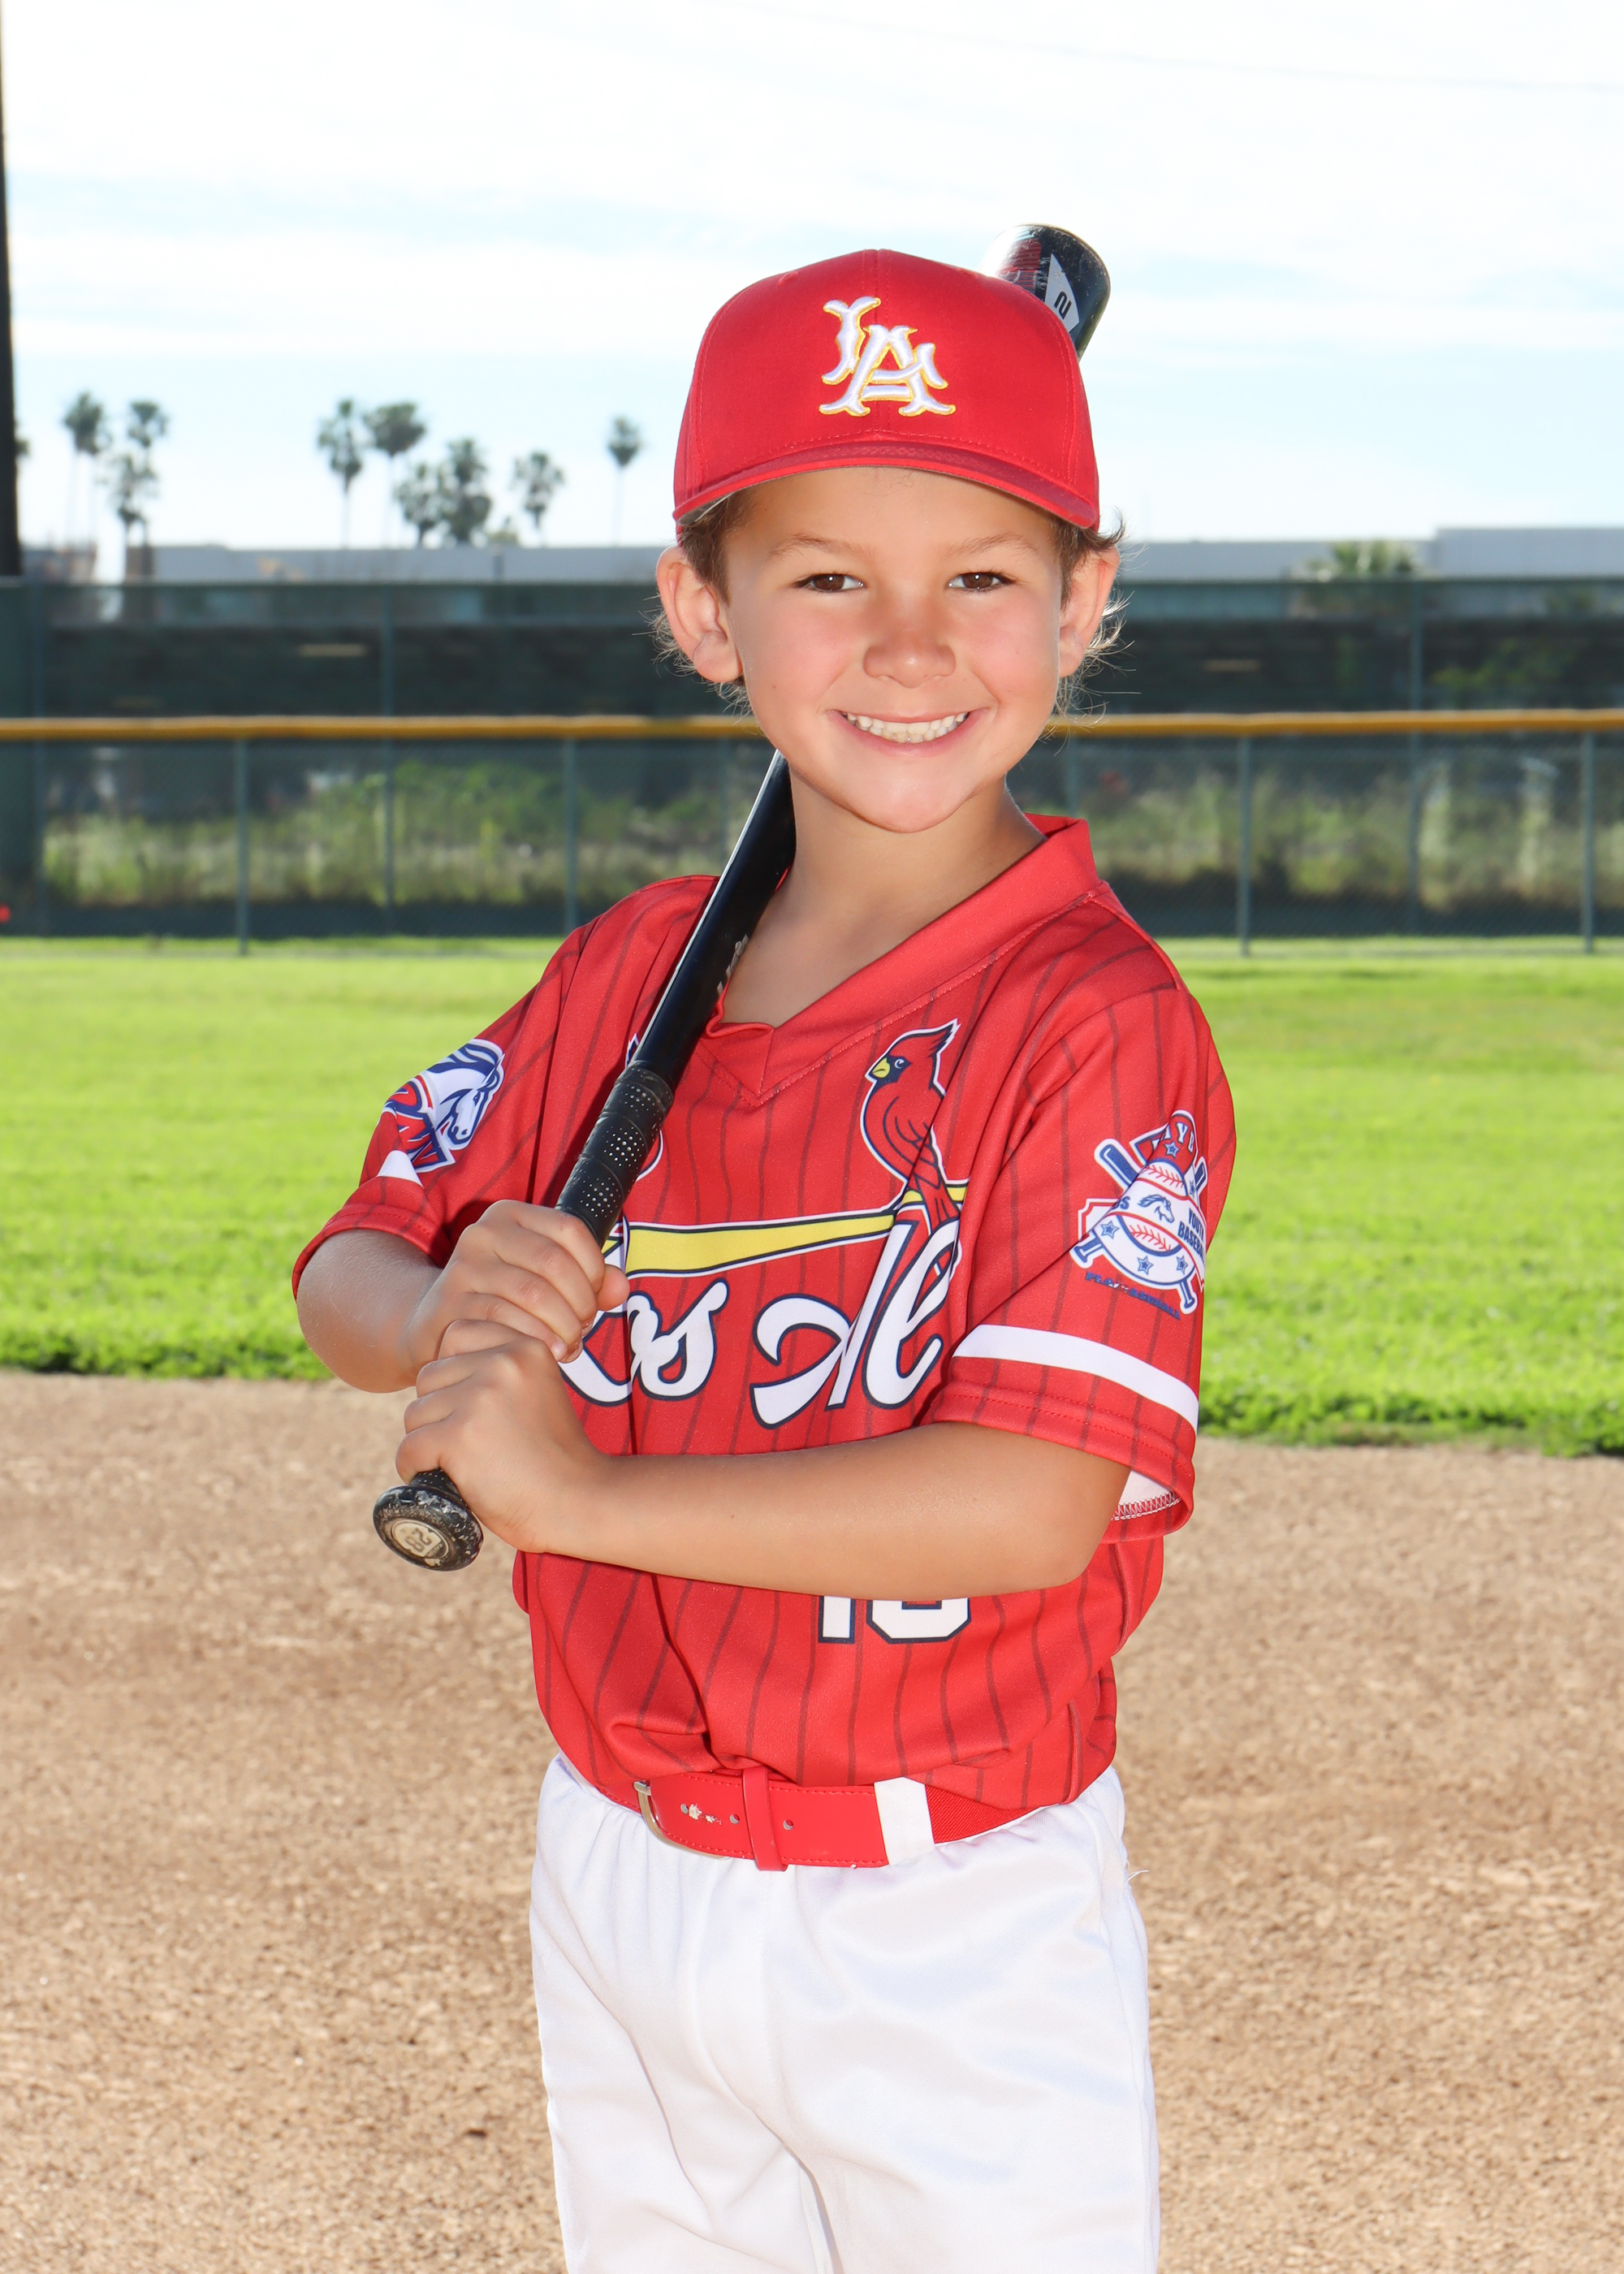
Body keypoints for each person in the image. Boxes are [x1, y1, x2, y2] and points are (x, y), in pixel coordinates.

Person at [295, 247, 1236, 2273]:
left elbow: (1029, 1500)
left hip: (946, 1917)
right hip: (617, 1861)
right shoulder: (627, 973)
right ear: (703, 611)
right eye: (827, 576)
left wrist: (574, 1491)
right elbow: (350, 1264)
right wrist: (447, 1315)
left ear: (1084, 601)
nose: (908, 642)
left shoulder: (1092, 1022)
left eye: (980, 575)